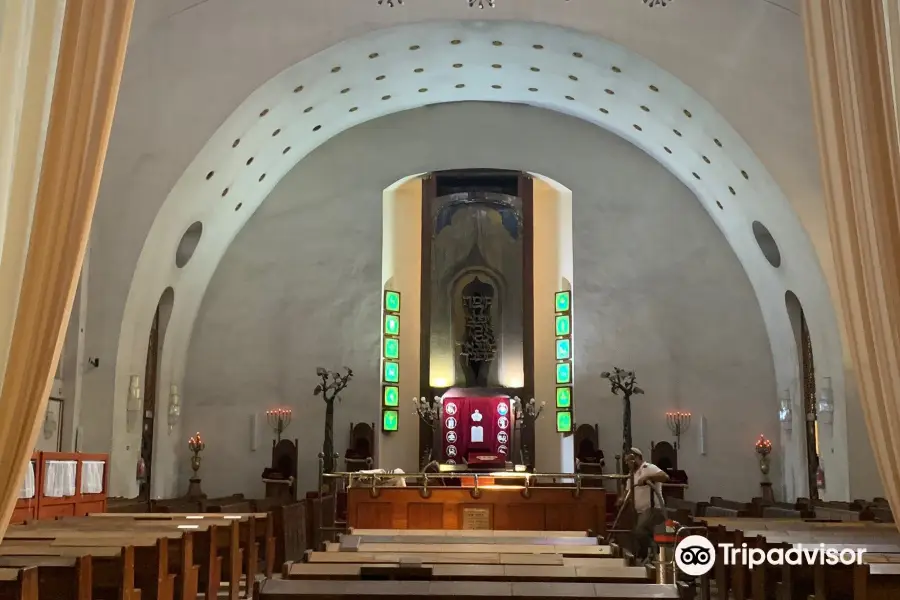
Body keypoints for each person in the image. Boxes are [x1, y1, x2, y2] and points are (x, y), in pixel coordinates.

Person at [617, 447, 669, 563]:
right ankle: (647, 555)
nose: (628, 464)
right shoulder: (632, 475)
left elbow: (665, 476)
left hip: (652, 509)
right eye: (626, 462)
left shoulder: (648, 468)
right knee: (634, 532)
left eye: (629, 460)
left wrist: (648, 477)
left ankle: (652, 550)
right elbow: (628, 491)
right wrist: (622, 499)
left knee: (639, 531)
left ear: (637, 458)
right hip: (638, 511)